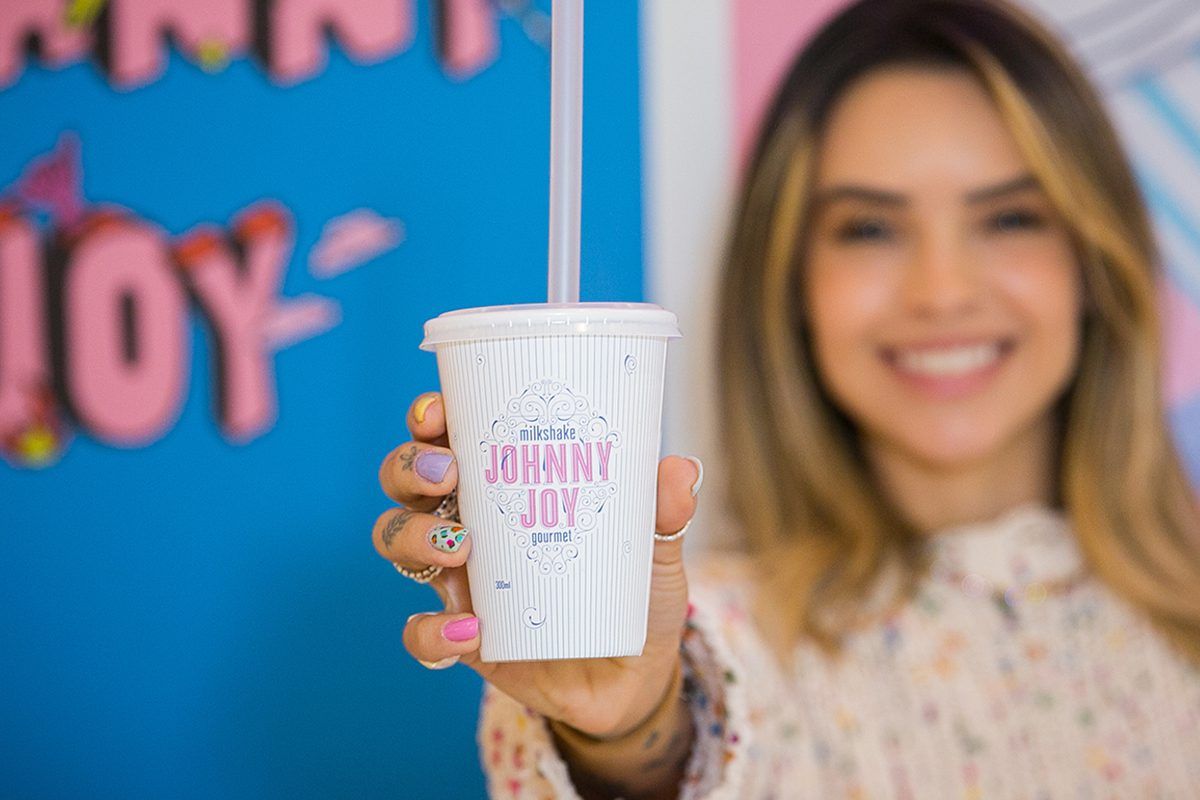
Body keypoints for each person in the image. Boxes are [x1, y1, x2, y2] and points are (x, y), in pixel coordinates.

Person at [372, 0, 1200, 795]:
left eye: (1010, 218)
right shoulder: (702, 642)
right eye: (870, 229)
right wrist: (627, 735)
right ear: (791, 282)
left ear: (1094, 259)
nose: (943, 292)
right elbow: (669, 733)